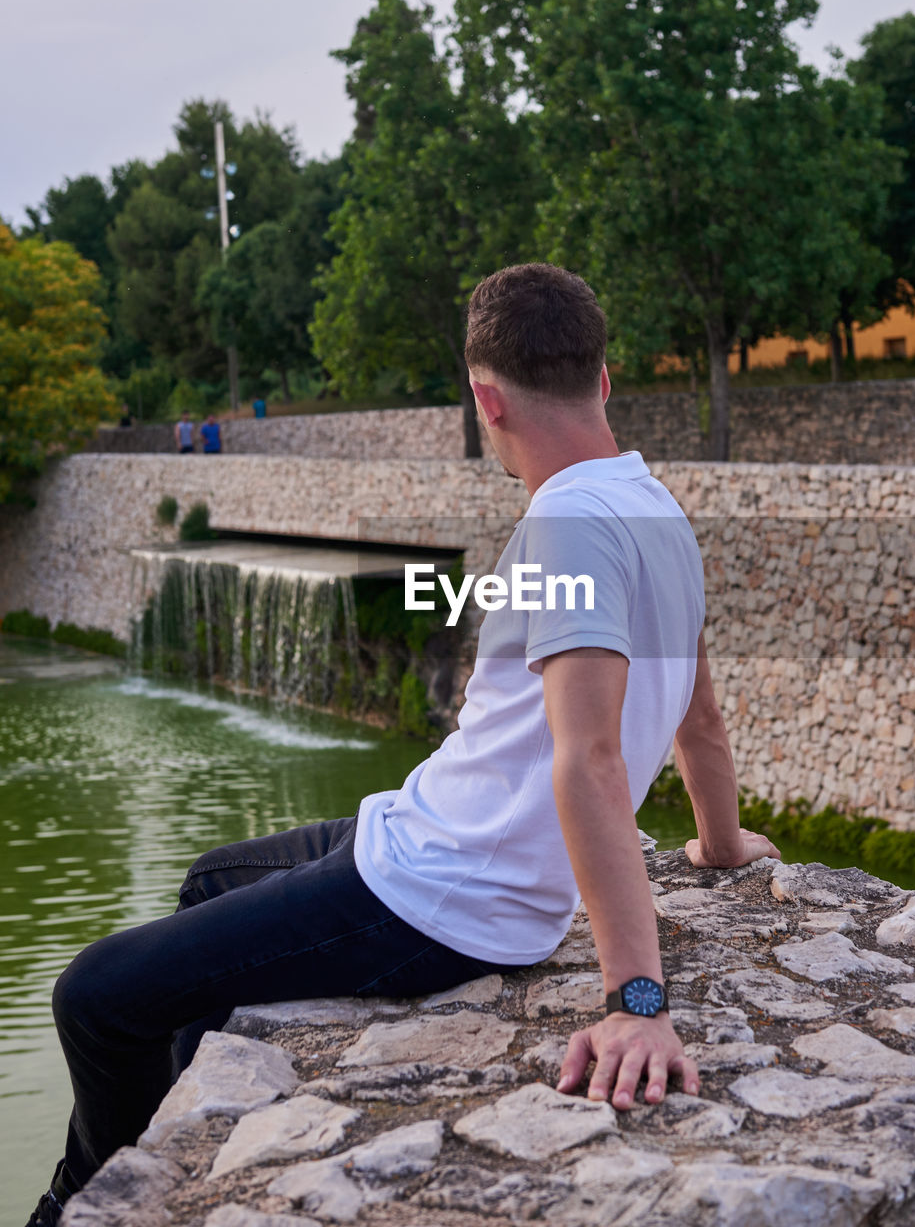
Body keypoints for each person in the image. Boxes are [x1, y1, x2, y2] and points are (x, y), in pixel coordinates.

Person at [25, 264, 778, 1226]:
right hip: (422, 835)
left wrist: (636, 1001)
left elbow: (590, 758)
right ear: (601, 376)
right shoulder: (653, 507)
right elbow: (699, 716)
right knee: (212, 879)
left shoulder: (567, 528)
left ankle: (82, 1206)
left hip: (435, 899)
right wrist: (718, 844)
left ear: (484, 397)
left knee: (93, 996)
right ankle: (191, 1150)